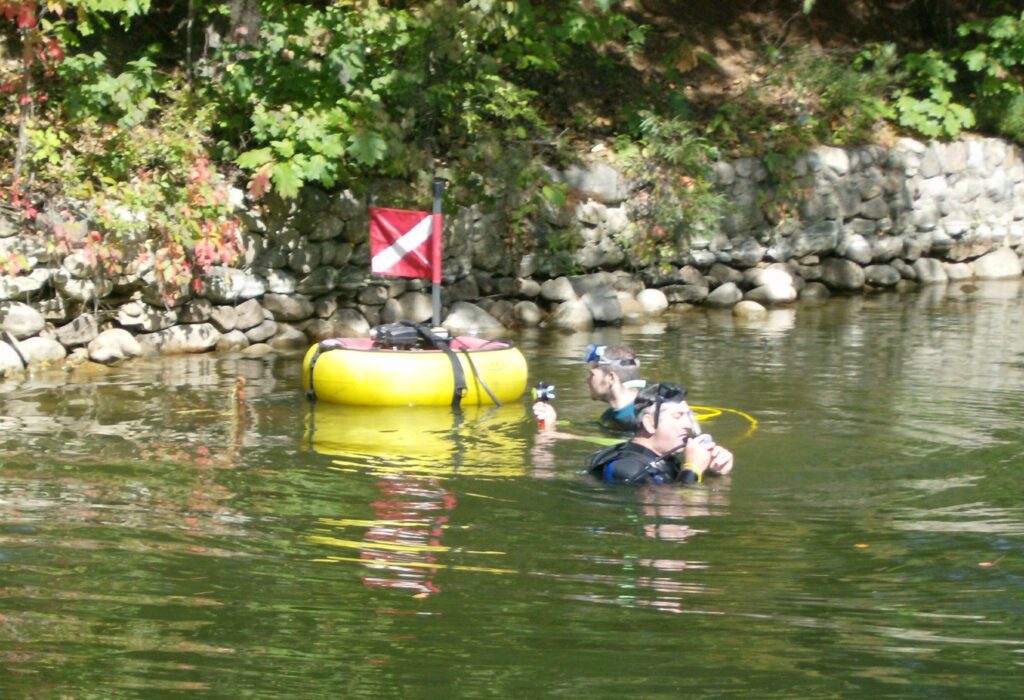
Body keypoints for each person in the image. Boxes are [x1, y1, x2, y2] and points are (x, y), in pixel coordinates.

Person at [587, 382, 734, 485]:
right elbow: (674, 509)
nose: (688, 425)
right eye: (677, 416)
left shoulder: (663, 460)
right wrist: (692, 468)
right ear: (650, 423)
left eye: (688, 416)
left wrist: (712, 471)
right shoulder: (627, 470)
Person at [533, 344, 647, 434]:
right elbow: (593, 426)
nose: (587, 381)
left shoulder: (638, 418)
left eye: (592, 375)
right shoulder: (611, 414)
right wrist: (552, 422)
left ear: (611, 378)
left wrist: (553, 433)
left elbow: (625, 446)